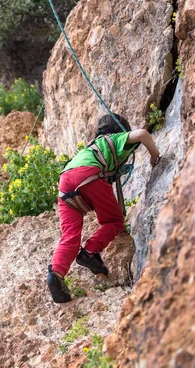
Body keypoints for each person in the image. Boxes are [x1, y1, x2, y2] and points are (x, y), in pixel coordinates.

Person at [47, 113, 160, 303]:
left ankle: (56, 274)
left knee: (70, 236)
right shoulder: (114, 139)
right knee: (114, 221)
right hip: (88, 176)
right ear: (120, 130)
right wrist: (154, 156)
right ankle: (90, 252)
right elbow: (142, 134)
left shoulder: (89, 148)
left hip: (65, 182)